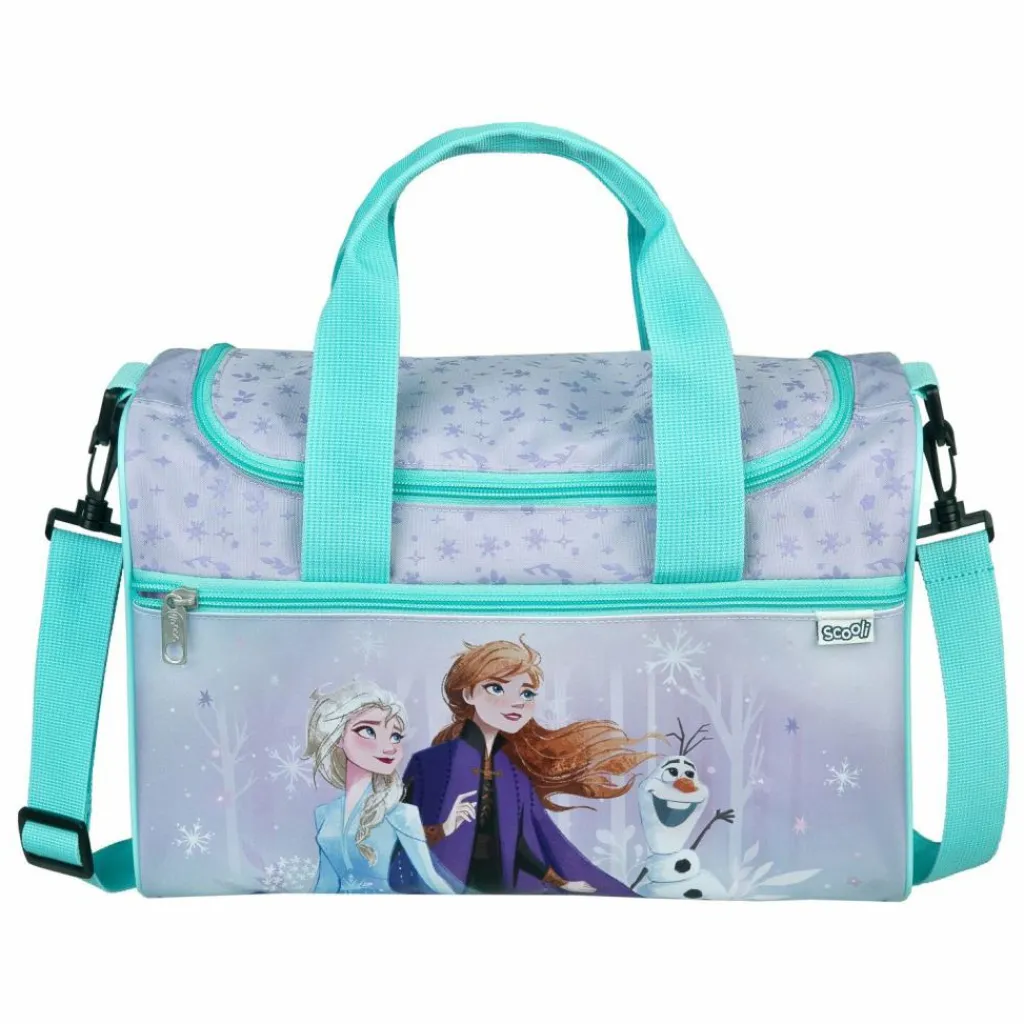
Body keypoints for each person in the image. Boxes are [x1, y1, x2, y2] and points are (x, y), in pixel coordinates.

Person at [389, 637, 652, 895]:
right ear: (468, 694)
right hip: (444, 893)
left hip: (508, 895)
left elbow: (522, 844)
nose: (517, 702)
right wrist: (443, 829)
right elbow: (400, 838)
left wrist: (560, 881)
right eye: (496, 688)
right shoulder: (430, 765)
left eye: (526, 693)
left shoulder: (514, 771)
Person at [304, 683, 454, 894]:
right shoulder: (325, 814)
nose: (389, 747)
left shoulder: (402, 815)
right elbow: (325, 885)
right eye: (368, 731)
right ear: (338, 738)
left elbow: (431, 879)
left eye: (395, 736)